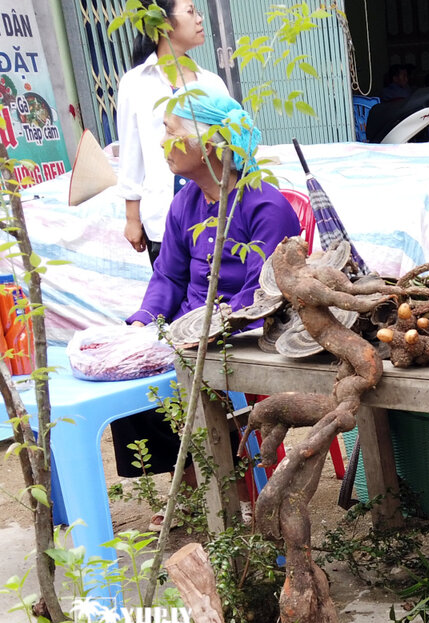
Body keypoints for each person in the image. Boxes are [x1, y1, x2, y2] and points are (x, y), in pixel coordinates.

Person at [117, 87, 299, 526]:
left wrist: (209, 327)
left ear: (211, 143)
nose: (162, 143)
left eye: (170, 130)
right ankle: (198, 486)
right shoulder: (186, 202)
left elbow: (266, 294)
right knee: (132, 381)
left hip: (247, 332)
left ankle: (239, 491)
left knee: (201, 380)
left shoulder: (265, 205)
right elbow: (168, 276)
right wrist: (146, 323)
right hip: (191, 330)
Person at [116, 0, 229, 266]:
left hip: (217, 216)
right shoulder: (135, 83)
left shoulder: (212, 83)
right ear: (163, 21)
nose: (200, 19)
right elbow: (131, 153)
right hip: (162, 219)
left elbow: (229, 147)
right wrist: (133, 218)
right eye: (191, 12)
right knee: (173, 296)